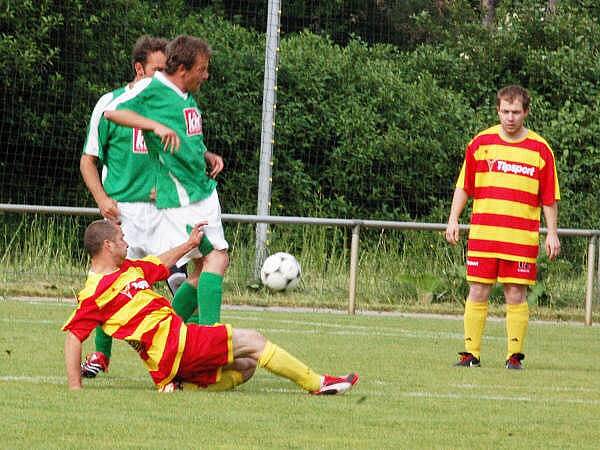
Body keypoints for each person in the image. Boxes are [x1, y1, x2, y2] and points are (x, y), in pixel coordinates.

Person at [63, 220, 359, 395]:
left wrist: (188, 243)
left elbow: (161, 262)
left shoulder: (129, 269)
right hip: (177, 345)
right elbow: (73, 336)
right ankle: (318, 384)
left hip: (173, 355)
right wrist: (75, 387)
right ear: (107, 246)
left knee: (247, 367)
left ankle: (182, 388)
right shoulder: (93, 294)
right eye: (121, 239)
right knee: (254, 340)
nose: (126, 243)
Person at [79, 35, 190, 378]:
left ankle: (190, 351)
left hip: (163, 212)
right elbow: (88, 160)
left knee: (181, 280)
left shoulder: (170, 106)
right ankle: (101, 355)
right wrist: (101, 198)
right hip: (123, 212)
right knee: (110, 283)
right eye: (156, 71)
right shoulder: (109, 104)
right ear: (138, 68)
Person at [103, 35, 229, 333]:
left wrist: (205, 154)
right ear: (183, 68)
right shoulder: (153, 86)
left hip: (199, 188)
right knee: (216, 259)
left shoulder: (185, 93)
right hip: (186, 197)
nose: (206, 74)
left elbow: (184, 137)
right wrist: (154, 126)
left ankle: (168, 331)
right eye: (202, 68)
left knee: (201, 270)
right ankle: (210, 339)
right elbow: (114, 111)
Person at [445, 85, 560, 370]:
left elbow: (549, 197)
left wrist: (552, 232)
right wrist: (453, 218)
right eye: (505, 111)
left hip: (520, 238)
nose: (510, 117)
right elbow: (464, 186)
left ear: (526, 112)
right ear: (498, 110)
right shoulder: (480, 143)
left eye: (516, 112)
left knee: (515, 294)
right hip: (484, 234)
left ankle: (514, 356)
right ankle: (470, 353)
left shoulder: (541, 150)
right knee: (478, 290)